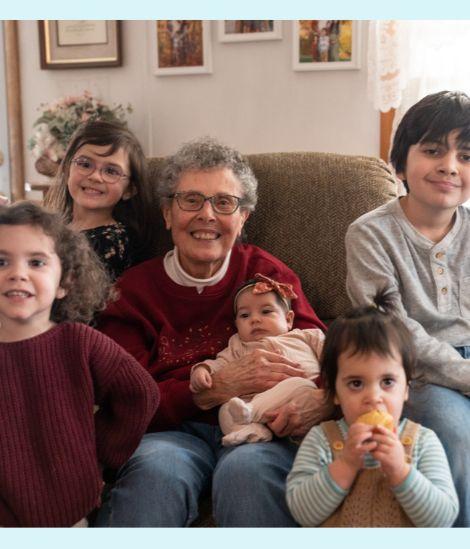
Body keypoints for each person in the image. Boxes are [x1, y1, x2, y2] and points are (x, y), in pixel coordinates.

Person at [93, 136, 326, 527]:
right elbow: (124, 400)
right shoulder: (130, 294)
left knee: (247, 472)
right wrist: (212, 389)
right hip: (171, 433)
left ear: (243, 218)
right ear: (167, 213)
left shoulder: (269, 277)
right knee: (156, 471)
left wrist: (320, 400)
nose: (207, 215)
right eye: (191, 200)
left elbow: (327, 356)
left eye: (223, 203)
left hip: (264, 428)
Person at [345, 90, 470, 526]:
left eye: (465, 155)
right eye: (433, 150)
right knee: (453, 429)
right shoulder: (370, 235)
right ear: (400, 164)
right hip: (416, 371)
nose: (450, 166)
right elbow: (394, 333)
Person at [0, 201, 159, 527]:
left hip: (71, 514)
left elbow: (141, 393)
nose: (17, 273)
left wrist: (98, 453)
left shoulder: (80, 342)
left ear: (65, 282)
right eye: (1, 261)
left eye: (36, 261)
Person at [286, 291, 459, 527]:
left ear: (406, 389)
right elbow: (302, 513)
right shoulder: (322, 441)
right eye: (356, 383)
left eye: (387, 382)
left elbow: (442, 520)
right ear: (335, 392)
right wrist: (346, 464)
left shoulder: (422, 442)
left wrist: (401, 471)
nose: (374, 398)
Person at [190, 273, 327, 447]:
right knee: (225, 410)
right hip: (257, 409)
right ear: (236, 324)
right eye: (245, 316)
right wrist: (202, 370)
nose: (254, 319)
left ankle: (251, 414)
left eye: (266, 311)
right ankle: (251, 431)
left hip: (302, 402)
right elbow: (219, 365)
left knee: (301, 384)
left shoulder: (307, 336)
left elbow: (335, 358)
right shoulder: (237, 345)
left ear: (288, 319)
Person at [44, 120, 156, 281]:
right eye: (85, 164)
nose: (95, 176)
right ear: (68, 168)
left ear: (129, 190)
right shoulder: (54, 226)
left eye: (111, 171)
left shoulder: (113, 242)